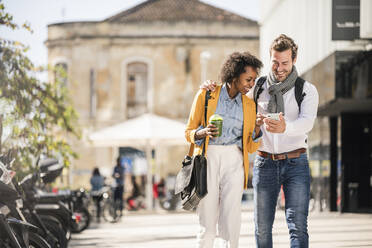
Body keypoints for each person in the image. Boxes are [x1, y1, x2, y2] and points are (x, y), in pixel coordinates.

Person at [202, 34, 319, 248]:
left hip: (296, 163)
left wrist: (287, 128)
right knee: (262, 227)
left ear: (294, 60)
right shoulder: (258, 87)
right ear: (270, 59)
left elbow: (307, 123)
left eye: (285, 62)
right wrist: (212, 87)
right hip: (265, 163)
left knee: (298, 225)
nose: (279, 68)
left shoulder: (307, 90)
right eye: (275, 62)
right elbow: (233, 97)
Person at [185, 51, 263, 248]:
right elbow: (189, 132)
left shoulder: (249, 105)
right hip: (208, 157)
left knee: (231, 218)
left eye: (254, 80)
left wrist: (257, 129)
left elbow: (251, 146)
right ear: (234, 75)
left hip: (235, 159)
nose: (251, 84)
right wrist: (203, 133)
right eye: (248, 79)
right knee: (207, 220)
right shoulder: (207, 94)